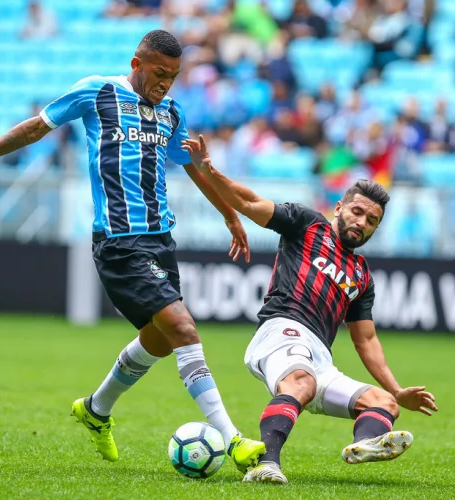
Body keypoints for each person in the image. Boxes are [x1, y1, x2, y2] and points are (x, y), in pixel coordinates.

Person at [0, 30, 265, 473]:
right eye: (159, 74)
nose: (166, 84)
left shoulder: (171, 112)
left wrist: (228, 214)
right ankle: (233, 440)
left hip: (162, 240)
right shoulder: (97, 91)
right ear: (137, 64)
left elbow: (192, 166)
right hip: (120, 243)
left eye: (174, 77)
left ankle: (96, 411)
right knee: (183, 328)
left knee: (158, 340)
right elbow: (33, 129)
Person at [182, 135, 438, 484]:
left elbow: (367, 340)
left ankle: (364, 443)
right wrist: (209, 171)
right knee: (300, 381)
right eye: (357, 211)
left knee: (383, 404)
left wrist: (396, 391)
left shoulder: (362, 275)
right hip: (280, 331)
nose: (362, 222)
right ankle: (265, 464)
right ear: (339, 208)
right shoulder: (307, 224)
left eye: (372, 220)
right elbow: (251, 202)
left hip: (320, 358)